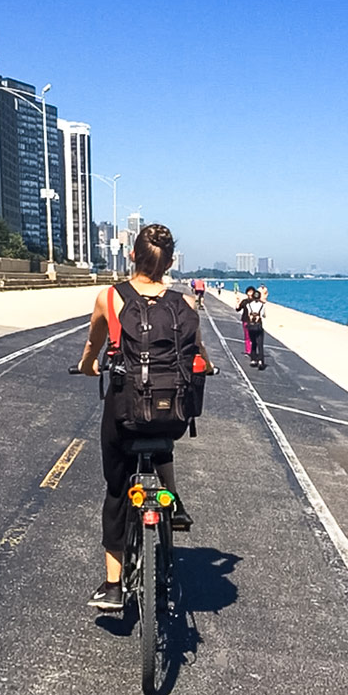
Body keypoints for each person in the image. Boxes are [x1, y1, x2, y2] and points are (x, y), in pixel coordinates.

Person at [78, 224, 211, 611]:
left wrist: (87, 366)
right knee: (161, 434)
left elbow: (93, 346)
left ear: (132, 255)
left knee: (118, 488)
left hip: (126, 412)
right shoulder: (185, 304)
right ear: (170, 263)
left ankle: (113, 585)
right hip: (174, 415)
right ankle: (174, 505)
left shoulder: (110, 298)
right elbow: (196, 351)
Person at [246, 289, 266, 369]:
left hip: (251, 326)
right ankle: (260, 360)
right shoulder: (262, 305)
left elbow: (248, 314)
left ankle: (253, 359)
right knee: (260, 344)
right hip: (258, 325)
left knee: (253, 342)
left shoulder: (249, 305)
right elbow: (263, 315)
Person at [235, 285, 256, 356]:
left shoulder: (256, 302)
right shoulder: (245, 301)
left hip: (254, 321)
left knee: (253, 337)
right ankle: (248, 351)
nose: (250, 293)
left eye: (251, 292)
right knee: (247, 336)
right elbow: (238, 309)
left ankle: (253, 350)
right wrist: (237, 302)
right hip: (245, 320)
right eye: (249, 292)